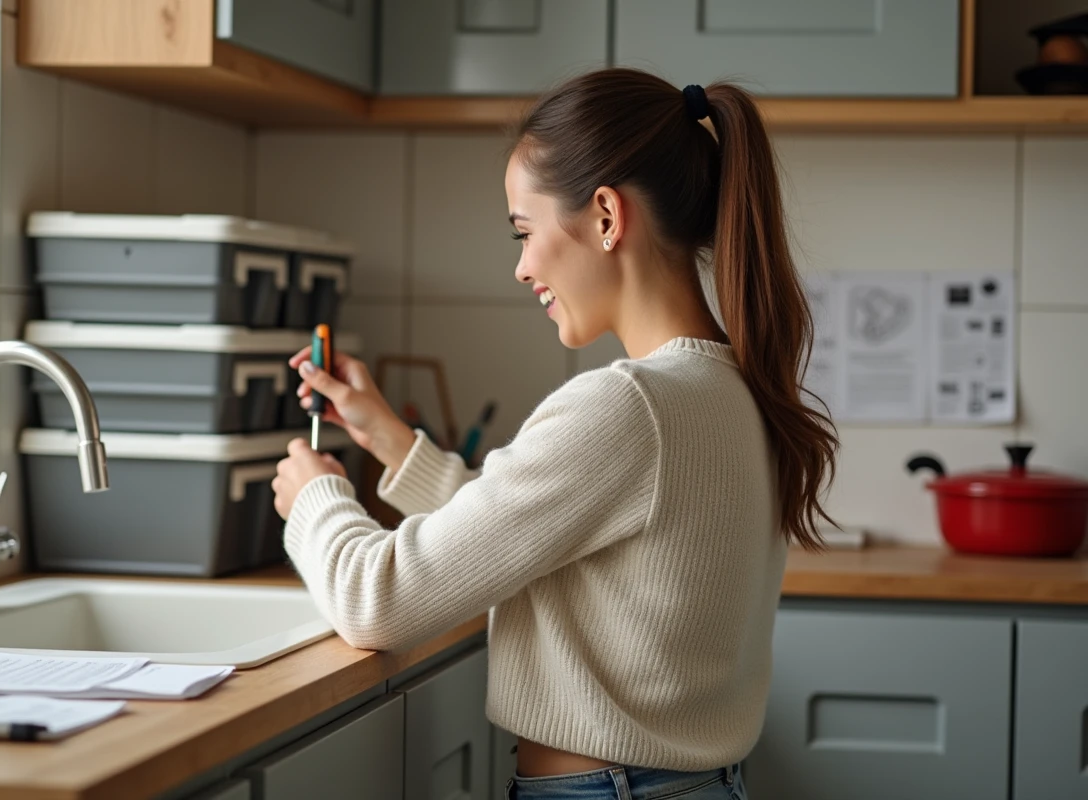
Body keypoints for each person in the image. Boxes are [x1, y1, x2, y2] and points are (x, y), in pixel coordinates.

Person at [272, 67, 838, 800]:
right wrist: (387, 438)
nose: (520, 266)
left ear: (605, 216)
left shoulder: (627, 407)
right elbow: (538, 531)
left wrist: (317, 500)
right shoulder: (731, 389)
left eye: (525, 230)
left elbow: (377, 601)